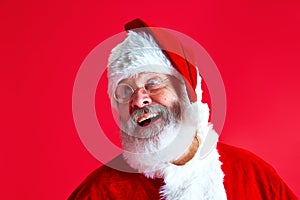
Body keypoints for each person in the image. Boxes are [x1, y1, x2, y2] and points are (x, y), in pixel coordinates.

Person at [68, 18, 297, 200]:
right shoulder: (98, 193)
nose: (138, 101)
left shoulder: (253, 176)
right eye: (125, 92)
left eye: (152, 83)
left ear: (186, 92)